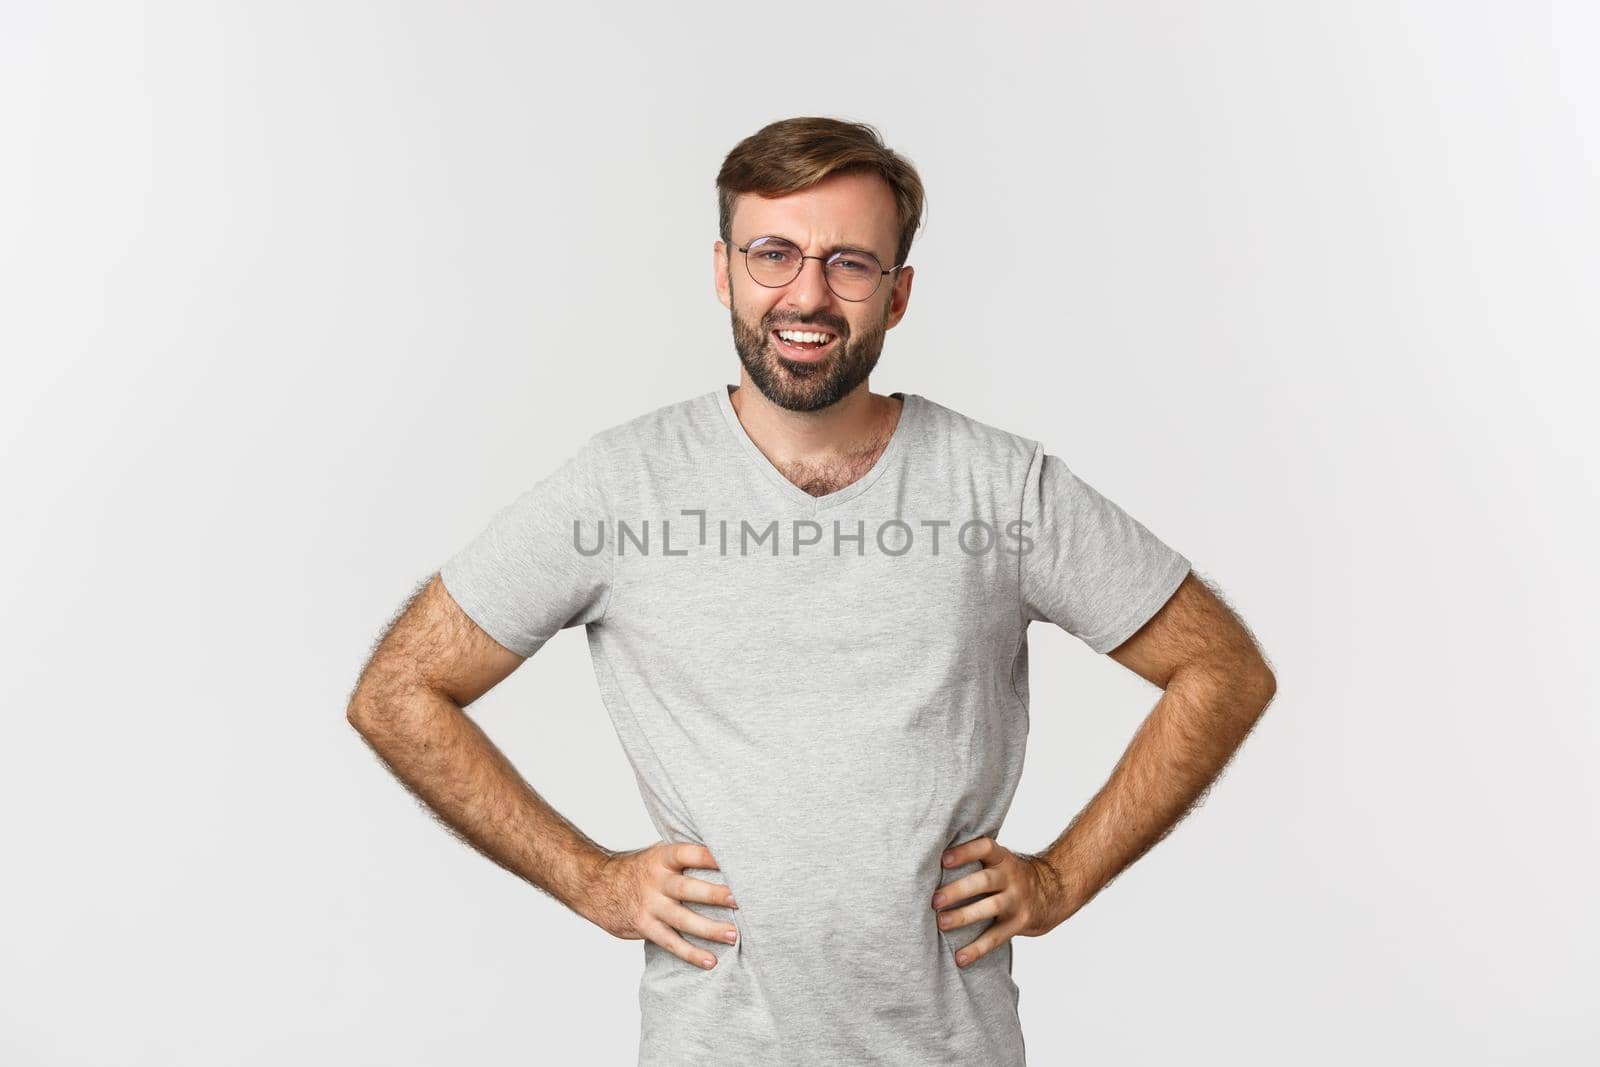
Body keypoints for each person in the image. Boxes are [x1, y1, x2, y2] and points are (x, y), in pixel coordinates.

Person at [346, 116, 1277, 1065]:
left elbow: (1221, 668)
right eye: (773, 254)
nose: (808, 293)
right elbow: (398, 691)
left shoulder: (1003, 488)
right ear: (722, 272)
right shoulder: (623, 487)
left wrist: (1063, 877)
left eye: (849, 263)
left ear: (898, 293)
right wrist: (591, 879)